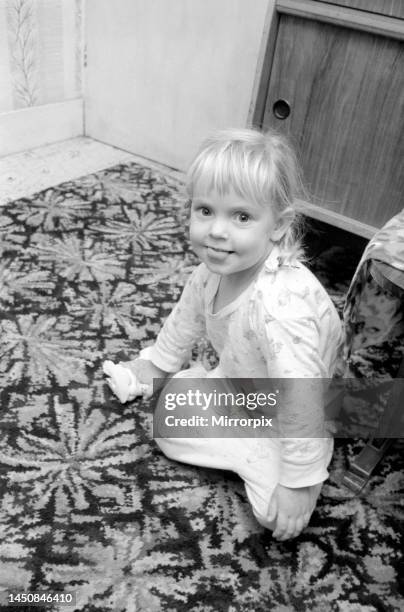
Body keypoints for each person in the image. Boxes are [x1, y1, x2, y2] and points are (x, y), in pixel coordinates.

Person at [117, 128, 342, 540]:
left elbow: (302, 395)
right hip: (243, 386)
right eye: (205, 210)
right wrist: (155, 365)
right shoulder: (209, 273)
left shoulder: (280, 307)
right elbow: (184, 322)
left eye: (241, 216)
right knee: (167, 415)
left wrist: (297, 480)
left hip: (302, 410)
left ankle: (289, 459)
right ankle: (250, 449)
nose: (217, 231)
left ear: (278, 226)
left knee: (276, 516)